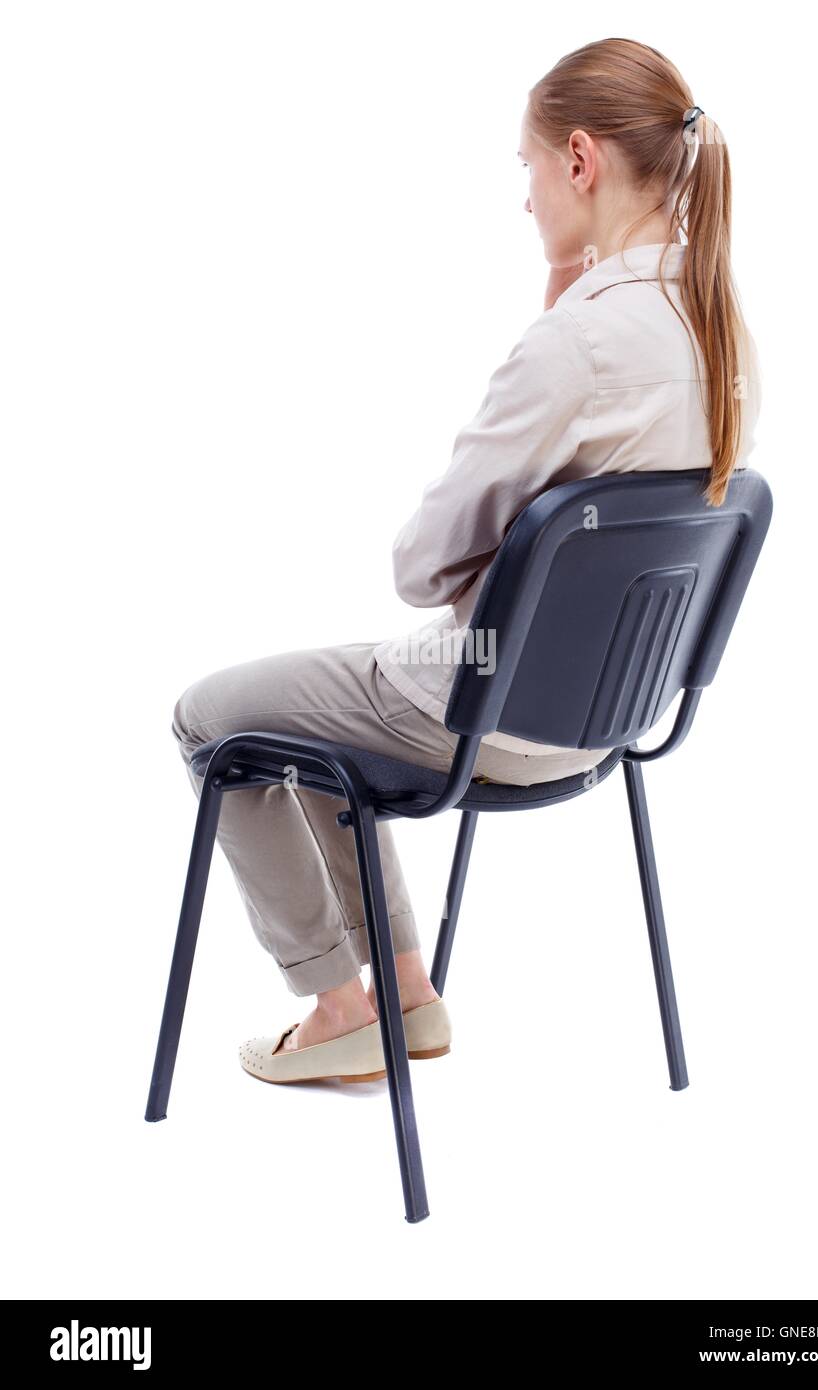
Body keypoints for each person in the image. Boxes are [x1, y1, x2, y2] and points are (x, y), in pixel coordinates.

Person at [172, 36, 761, 1085]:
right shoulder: (721, 332)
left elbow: (419, 565)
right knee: (310, 714)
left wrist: (546, 337)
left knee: (215, 717)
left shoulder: (578, 343)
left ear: (577, 159)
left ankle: (336, 1004)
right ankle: (404, 993)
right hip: (613, 722)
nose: (526, 198)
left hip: (485, 712)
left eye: (526, 168)